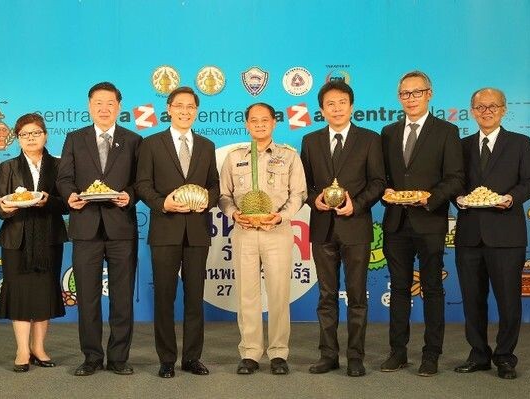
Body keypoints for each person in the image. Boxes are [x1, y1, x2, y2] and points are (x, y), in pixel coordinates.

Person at [380, 70, 464, 377]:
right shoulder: (388, 132)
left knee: (432, 289)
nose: (411, 99)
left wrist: (430, 198)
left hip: (429, 220)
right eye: (405, 94)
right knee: (400, 288)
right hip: (396, 222)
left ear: (429, 94)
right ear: (399, 97)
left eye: (417, 92)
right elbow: (383, 178)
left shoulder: (446, 131)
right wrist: (384, 192)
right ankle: (398, 352)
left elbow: (456, 178)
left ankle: (431, 355)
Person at [300, 81, 385, 377]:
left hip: (356, 227)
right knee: (326, 295)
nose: (336, 108)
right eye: (330, 104)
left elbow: (378, 182)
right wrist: (316, 200)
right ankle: (328, 355)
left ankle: (356, 356)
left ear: (351, 106)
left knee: (358, 295)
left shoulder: (370, 140)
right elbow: (304, 186)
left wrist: (357, 205)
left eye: (342, 102)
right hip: (322, 229)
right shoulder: (310, 141)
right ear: (322, 110)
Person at [57, 82, 142, 376]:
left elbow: (140, 182)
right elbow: (64, 177)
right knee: (88, 298)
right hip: (86, 227)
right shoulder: (75, 139)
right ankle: (91, 356)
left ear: (119, 106)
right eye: (98, 103)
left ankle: (119, 356)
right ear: (89, 106)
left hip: (121, 228)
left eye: (110, 103)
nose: (104, 108)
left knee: (122, 297)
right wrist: (69, 195)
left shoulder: (133, 140)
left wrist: (129, 195)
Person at [135, 86, 219, 378]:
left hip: (197, 233)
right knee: (165, 298)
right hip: (165, 231)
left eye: (191, 107)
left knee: (195, 298)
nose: (185, 111)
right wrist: (164, 204)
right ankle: (167, 359)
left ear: (196, 111)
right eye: (179, 105)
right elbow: (142, 184)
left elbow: (215, 186)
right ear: (169, 109)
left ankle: (192, 358)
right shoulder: (151, 144)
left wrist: (207, 199)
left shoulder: (207, 146)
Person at [219, 102, 307, 375]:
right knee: (247, 294)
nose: (259, 124)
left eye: (265, 120)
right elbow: (224, 196)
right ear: (246, 124)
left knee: (279, 293)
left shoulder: (289, 156)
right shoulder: (234, 157)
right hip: (245, 231)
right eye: (254, 120)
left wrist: (281, 217)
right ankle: (250, 352)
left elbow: (299, 195)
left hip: (277, 231)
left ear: (274, 123)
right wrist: (234, 214)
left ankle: (279, 353)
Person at [454, 88, 530, 380]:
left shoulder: (521, 143)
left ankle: (505, 357)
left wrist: (511, 198)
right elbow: (455, 182)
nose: (486, 111)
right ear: (472, 111)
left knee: (508, 301)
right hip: (470, 235)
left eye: (493, 106)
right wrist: (459, 199)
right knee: (473, 300)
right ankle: (478, 355)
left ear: (503, 110)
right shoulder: (460, 146)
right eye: (480, 107)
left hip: (506, 235)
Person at [0, 113, 68, 372]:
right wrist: (7, 207)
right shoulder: (8, 167)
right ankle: (22, 349)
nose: (30, 138)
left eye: (35, 133)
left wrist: (50, 201)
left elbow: (67, 203)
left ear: (45, 135)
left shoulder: (59, 166)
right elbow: (0, 206)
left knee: (45, 292)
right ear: (18, 139)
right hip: (17, 238)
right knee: (20, 294)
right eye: (25, 134)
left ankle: (39, 347)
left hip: (49, 238)